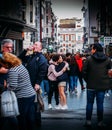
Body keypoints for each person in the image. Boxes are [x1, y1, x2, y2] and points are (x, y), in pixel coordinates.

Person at [0, 52, 37, 130]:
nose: (2, 66)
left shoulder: (13, 70)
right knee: (30, 118)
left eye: (2, 64)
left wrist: (6, 85)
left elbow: (13, 86)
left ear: (7, 62)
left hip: (23, 97)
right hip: (30, 94)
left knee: (21, 118)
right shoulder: (19, 66)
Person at [19, 41, 48, 127]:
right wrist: (26, 50)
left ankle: (36, 123)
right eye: (34, 44)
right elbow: (19, 59)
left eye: (36, 45)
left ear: (40, 48)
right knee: (30, 105)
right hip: (27, 85)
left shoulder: (41, 58)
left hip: (34, 85)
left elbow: (42, 72)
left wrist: (38, 83)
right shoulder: (31, 56)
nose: (34, 46)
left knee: (35, 105)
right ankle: (30, 122)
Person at [82, 43, 111, 127]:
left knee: (90, 103)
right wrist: (106, 81)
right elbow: (109, 72)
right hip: (102, 85)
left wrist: (88, 80)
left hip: (91, 85)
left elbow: (84, 72)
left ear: (95, 50)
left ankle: (88, 121)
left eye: (92, 49)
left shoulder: (89, 59)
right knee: (100, 104)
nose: (91, 50)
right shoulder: (107, 59)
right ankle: (100, 121)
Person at [0, 39, 19, 130]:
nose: (10, 49)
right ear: (2, 48)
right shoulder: (1, 57)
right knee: (8, 112)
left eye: (11, 47)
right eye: (8, 47)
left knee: (7, 111)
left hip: (5, 87)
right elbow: (2, 70)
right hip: (2, 87)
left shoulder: (8, 56)